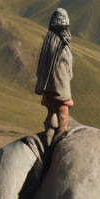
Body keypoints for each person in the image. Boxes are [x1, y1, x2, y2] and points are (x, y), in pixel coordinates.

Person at [35, 8, 74, 147]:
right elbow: (62, 72)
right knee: (62, 110)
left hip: (49, 85)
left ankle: (50, 131)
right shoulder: (60, 46)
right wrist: (65, 93)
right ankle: (61, 133)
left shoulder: (50, 42)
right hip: (59, 87)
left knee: (52, 110)